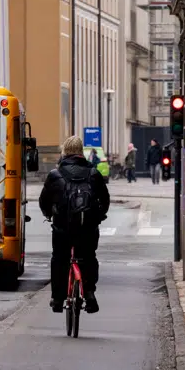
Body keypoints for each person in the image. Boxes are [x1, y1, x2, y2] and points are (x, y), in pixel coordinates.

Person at [40, 135, 110, 314]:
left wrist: (49, 214)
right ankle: (89, 294)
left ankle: (57, 298)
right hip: (87, 227)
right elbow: (105, 199)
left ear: (64, 152)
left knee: (59, 259)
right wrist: (99, 216)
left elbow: (44, 201)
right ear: (81, 152)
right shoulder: (94, 173)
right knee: (88, 258)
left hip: (62, 228)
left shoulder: (55, 175)